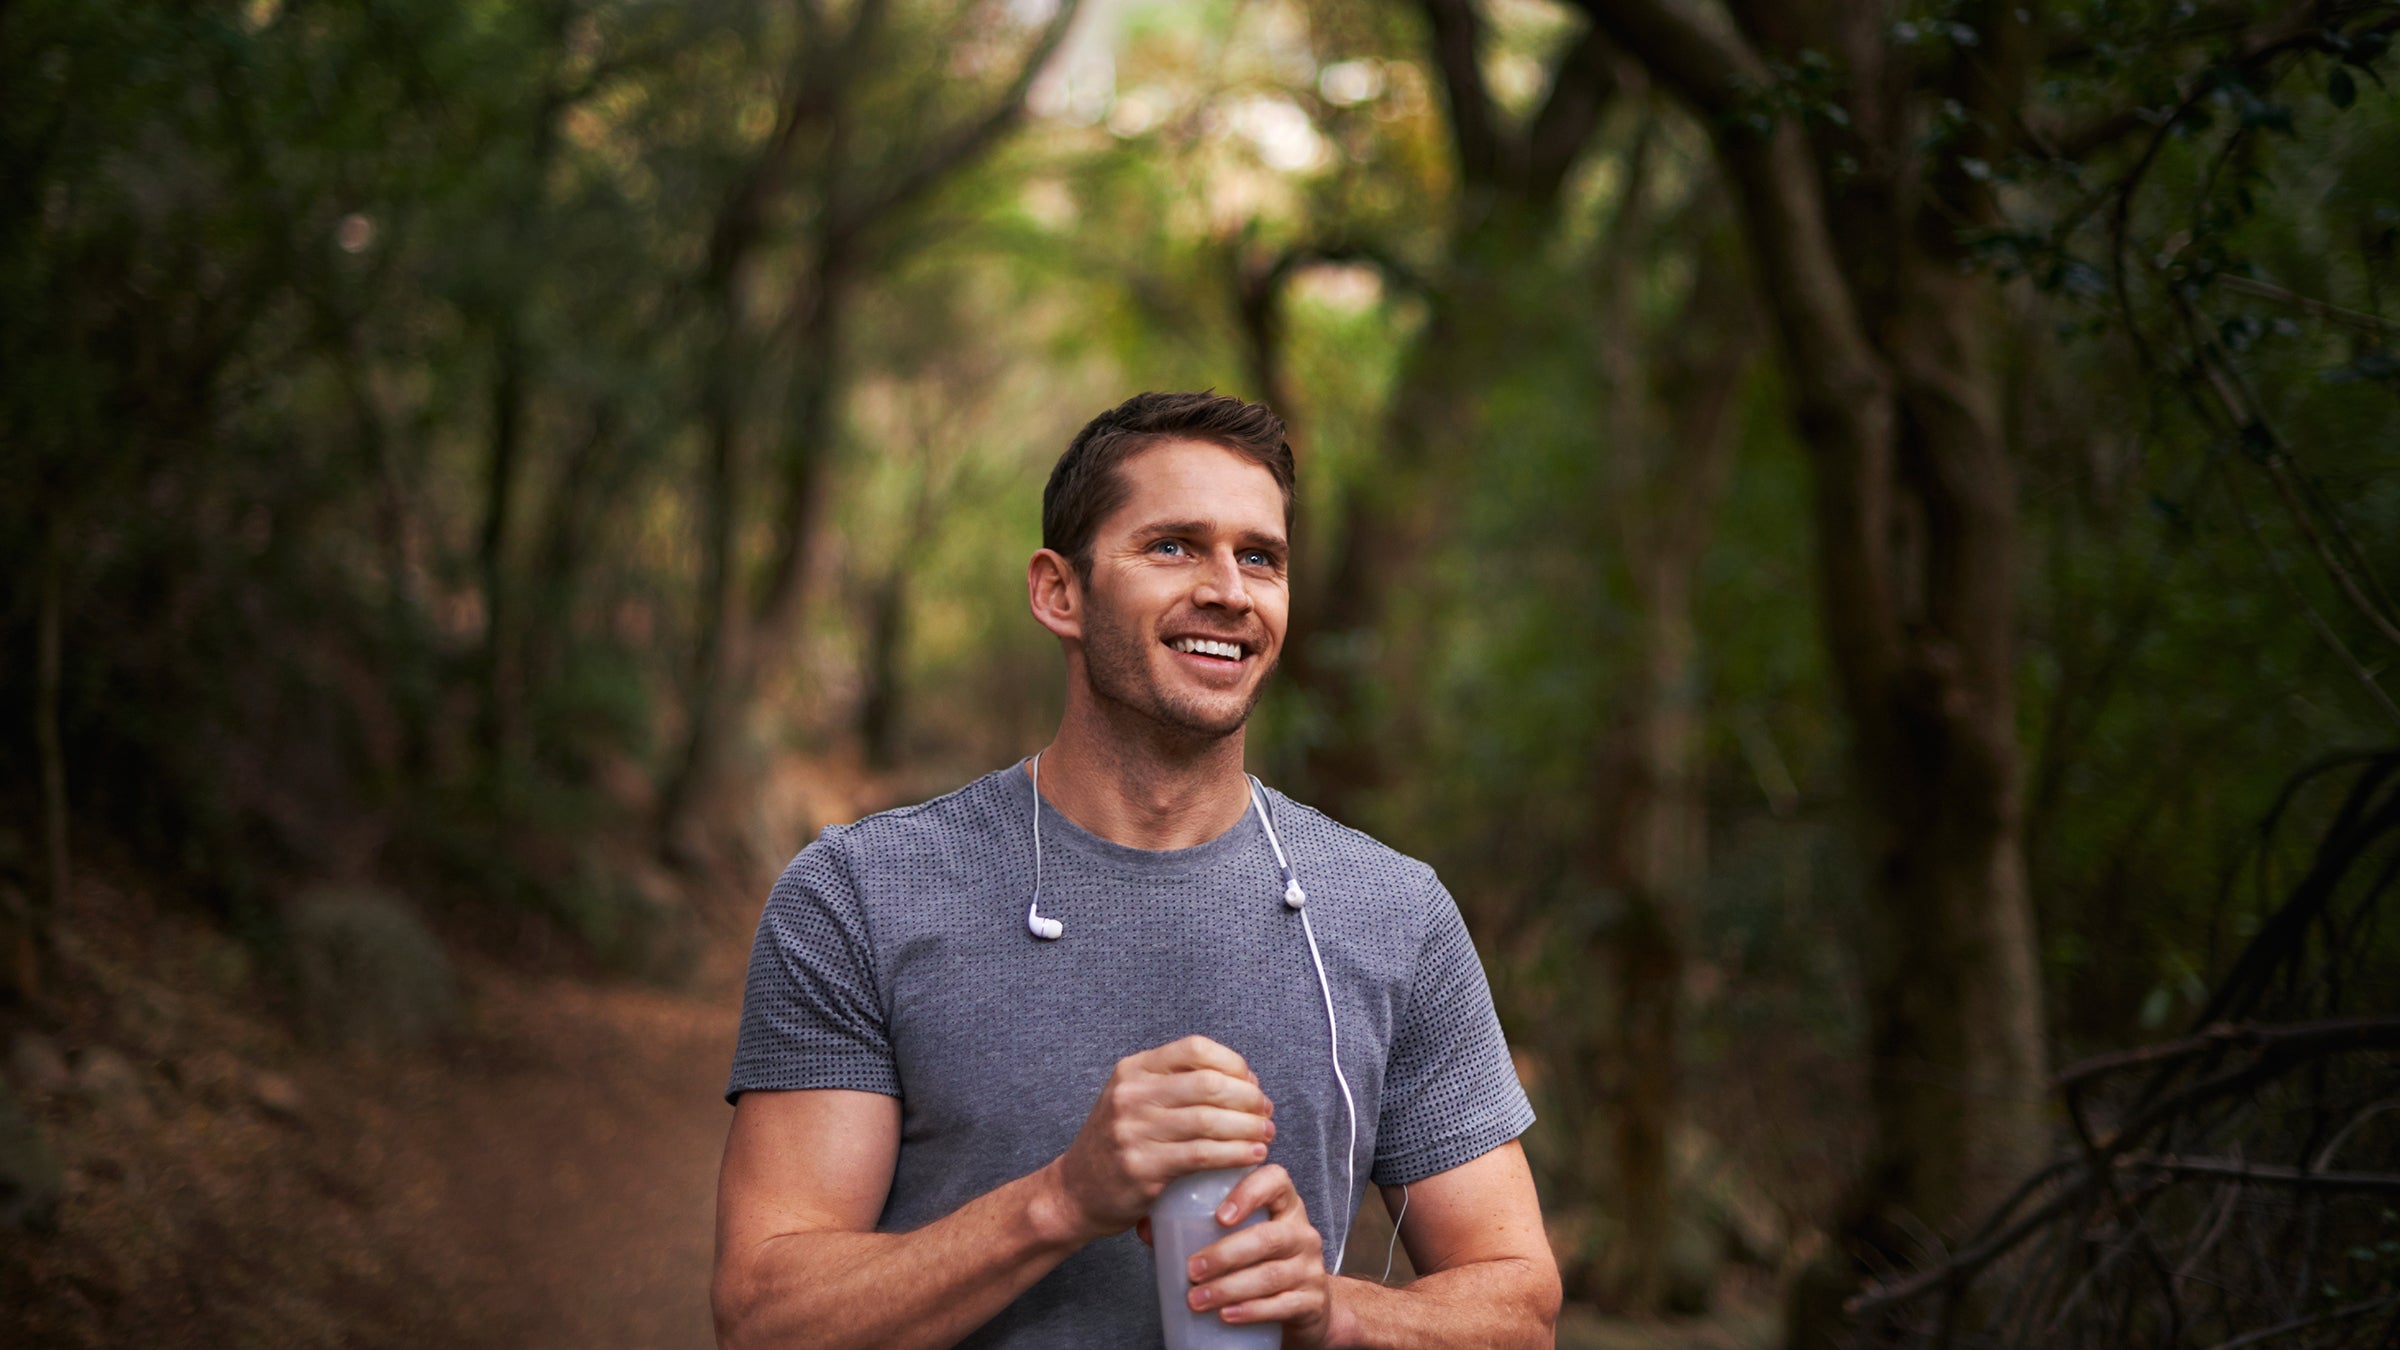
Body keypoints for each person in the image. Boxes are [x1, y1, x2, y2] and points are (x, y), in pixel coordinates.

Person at [712, 392, 1559, 1349]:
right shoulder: (861, 894)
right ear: (1058, 593)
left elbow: (1520, 1307)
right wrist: (1063, 1201)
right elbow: (764, 1315)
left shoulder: (1394, 914)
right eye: (1172, 547)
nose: (1229, 591)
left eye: (1260, 558)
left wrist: (1335, 1312)